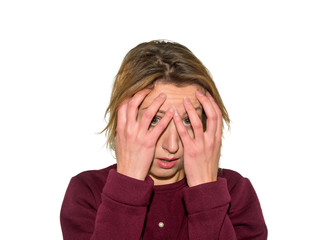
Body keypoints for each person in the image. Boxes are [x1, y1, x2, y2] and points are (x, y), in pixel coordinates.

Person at [60, 40, 268, 240]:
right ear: (124, 120)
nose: (172, 145)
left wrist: (206, 192)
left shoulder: (234, 192)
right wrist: (127, 184)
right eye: (155, 119)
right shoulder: (88, 192)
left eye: (187, 120)